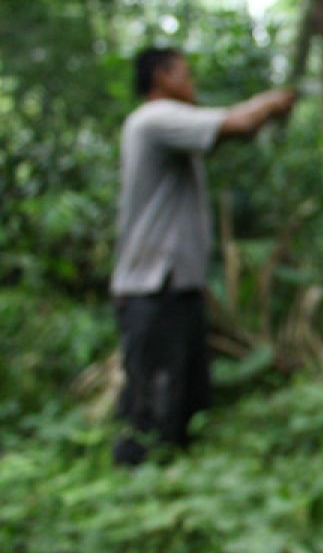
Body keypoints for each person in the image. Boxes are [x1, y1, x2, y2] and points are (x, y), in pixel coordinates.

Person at [110, 47, 296, 466]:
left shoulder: (171, 127)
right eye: (186, 74)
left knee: (187, 402)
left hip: (176, 288)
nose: (192, 84)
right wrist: (271, 100)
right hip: (152, 290)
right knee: (151, 407)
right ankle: (136, 492)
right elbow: (238, 123)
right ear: (162, 77)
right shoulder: (153, 119)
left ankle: (175, 493)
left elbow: (237, 129)